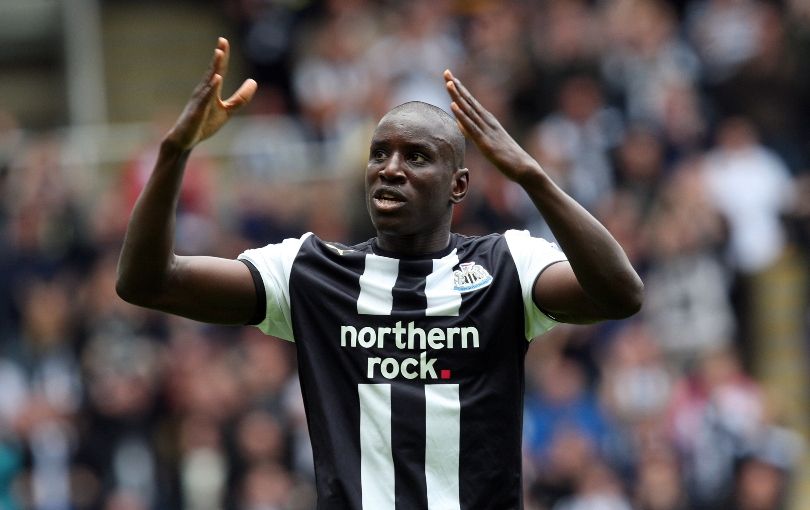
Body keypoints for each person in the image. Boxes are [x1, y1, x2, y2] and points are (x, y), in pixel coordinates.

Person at [116, 38, 643, 510]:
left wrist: (532, 176)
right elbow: (147, 282)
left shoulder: (506, 264)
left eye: (416, 156)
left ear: (458, 186)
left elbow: (620, 294)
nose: (391, 168)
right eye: (379, 153)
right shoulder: (309, 272)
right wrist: (173, 153)